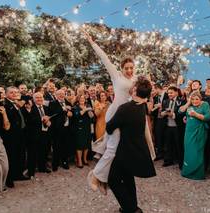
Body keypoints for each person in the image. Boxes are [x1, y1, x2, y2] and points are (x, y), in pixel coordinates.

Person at [84, 31, 137, 191]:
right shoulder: (116, 76)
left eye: (131, 68)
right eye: (126, 68)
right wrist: (93, 43)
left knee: (117, 149)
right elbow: (104, 58)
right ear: (121, 68)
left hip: (128, 117)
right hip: (115, 115)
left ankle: (105, 179)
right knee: (112, 148)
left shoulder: (135, 79)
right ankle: (95, 176)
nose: (129, 70)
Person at [107, 76, 156, 213]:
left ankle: (130, 208)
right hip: (136, 150)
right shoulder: (142, 106)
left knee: (113, 179)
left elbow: (109, 127)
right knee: (128, 178)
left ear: (134, 90)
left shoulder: (125, 108)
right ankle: (132, 206)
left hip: (125, 152)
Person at [180, 91, 210, 180]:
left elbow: (207, 117)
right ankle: (187, 171)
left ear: (200, 99)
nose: (195, 101)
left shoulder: (205, 105)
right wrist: (188, 103)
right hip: (188, 132)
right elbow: (180, 110)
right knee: (188, 151)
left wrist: (196, 115)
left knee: (197, 152)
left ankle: (197, 174)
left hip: (199, 132)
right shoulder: (190, 106)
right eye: (192, 99)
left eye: (196, 99)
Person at [23, 92, 52, 177]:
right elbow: (29, 121)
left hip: (45, 133)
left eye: (41, 97)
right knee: (32, 153)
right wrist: (42, 119)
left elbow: (50, 119)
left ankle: (42, 167)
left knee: (44, 151)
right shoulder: (31, 108)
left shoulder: (46, 108)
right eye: (37, 98)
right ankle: (31, 171)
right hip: (34, 134)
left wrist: (49, 122)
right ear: (33, 99)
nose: (39, 99)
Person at [49, 89, 73, 171]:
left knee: (65, 146)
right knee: (56, 146)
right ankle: (55, 164)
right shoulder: (52, 103)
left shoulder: (68, 102)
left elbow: (71, 112)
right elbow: (52, 113)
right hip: (57, 129)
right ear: (56, 95)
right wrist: (63, 109)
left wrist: (70, 113)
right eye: (59, 94)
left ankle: (65, 162)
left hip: (67, 128)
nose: (61, 95)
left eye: (63, 94)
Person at [72, 94, 94, 168]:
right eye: (80, 98)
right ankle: (79, 161)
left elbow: (91, 116)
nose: (82, 99)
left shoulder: (88, 106)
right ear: (78, 99)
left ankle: (85, 159)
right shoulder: (75, 107)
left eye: (83, 98)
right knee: (80, 144)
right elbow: (77, 115)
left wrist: (89, 111)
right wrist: (84, 109)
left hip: (87, 127)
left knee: (87, 143)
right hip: (79, 128)